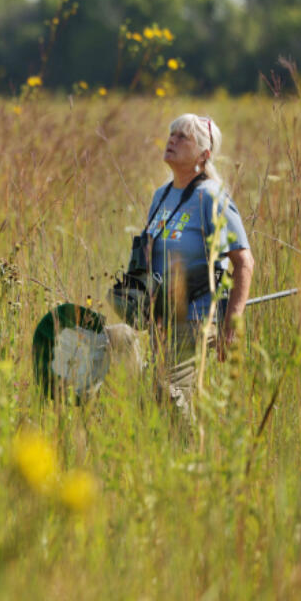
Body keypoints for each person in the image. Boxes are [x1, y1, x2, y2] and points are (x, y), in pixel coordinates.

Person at [113, 114, 254, 409]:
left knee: (168, 393)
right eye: (172, 133)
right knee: (144, 379)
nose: (172, 140)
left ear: (204, 155)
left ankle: (194, 449)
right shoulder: (161, 196)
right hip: (161, 317)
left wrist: (232, 321)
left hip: (196, 318)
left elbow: (243, 262)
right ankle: (184, 444)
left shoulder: (211, 198)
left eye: (183, 137)